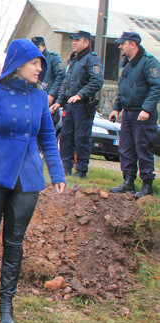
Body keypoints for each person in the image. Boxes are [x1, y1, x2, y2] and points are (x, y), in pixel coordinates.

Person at [0, 39, 66, 323]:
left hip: (28, 179)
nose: (39, 68)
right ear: (19, 63)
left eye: (41, 64)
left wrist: (56, 173)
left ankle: (6, 303)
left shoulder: (39, 97)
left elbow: (47, 137)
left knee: (14, 242)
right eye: (35, 63)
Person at [109, 31, 160, 199]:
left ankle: (147, 186)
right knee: (126, 148)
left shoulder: (148, 62)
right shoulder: (126, 64)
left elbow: (156, 87)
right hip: (129, 114)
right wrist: (116, 108)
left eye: (123, 43)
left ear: (133, 44)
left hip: (143, 115)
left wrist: (146, 109)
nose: (120, 46)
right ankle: (128, 182)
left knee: (143, 148)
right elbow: (121, 88)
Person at [50, 31, 104, 179]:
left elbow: (97, 81)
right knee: (66, 137)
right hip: (70, 105)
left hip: (83, 105)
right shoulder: (73, 60)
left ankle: (81, 170)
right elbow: (66, 84)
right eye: (73, 40)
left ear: (86, 42)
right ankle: (65, 168)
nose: (74, 42)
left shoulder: (92, 59)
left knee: (81, 137)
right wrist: (59, 101)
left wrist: (81, 94)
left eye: (77, 40)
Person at [31, 36, 65, 109]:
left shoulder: (53, 58)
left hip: (48, 96)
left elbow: (61, 75)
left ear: (44, 46)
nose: (35, 50)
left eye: (38, 48)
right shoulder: (29, 60)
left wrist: (52, 94)